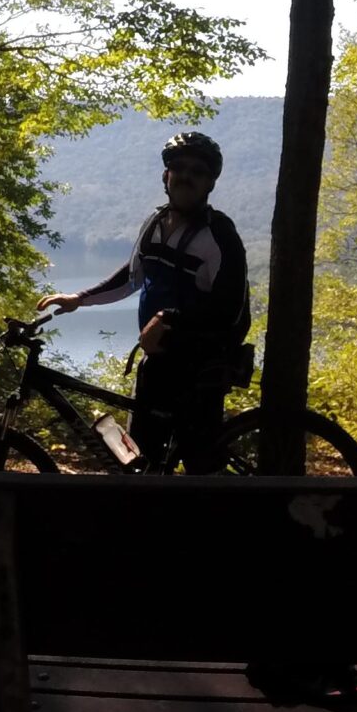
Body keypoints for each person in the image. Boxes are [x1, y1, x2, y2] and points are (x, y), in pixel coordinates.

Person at [38, 129, 249, 468]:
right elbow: (132, 277)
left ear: (210, 184)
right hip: (159, 361)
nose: (185, 176)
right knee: (142, 459)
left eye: (198, 171)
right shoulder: (155, 223)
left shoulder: (220, 235)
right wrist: (79, 298)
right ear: (165, 175)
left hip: (201, 367)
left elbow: (229, 309)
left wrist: (168, 318)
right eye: (178, 168)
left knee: (201, 468)